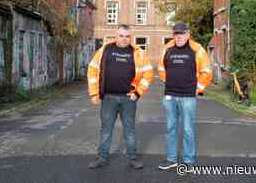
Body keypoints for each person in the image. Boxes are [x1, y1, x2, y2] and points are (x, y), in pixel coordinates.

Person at [87, 24, 153, 169]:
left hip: (128, 99)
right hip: (108, 98)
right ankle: (102, 157)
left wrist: (138, 92)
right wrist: (94, 93)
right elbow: (92, 69)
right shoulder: (105, 49)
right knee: (106, 129)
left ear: (131, 37)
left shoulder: (138, 53)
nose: (124, 39)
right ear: (116, 35)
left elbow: (148, 74)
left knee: (129, 129)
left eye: (127, 36)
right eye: (121, 36)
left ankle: (133, 158)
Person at [158, 22, 212, 170]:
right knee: (171, 128)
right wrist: (169, 83)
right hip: (170, 96)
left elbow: (206, 71)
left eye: (181, 34)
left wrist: (197, 89)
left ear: (188, 34)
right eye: (176, 34)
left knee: (188, 129)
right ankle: (171, 159)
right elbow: (161, 69)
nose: (179, 36)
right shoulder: (167, 48)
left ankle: (189, 160)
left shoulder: (197, 49)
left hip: (188, 96)